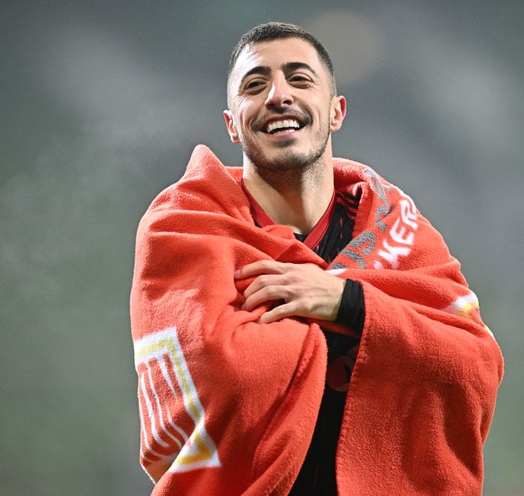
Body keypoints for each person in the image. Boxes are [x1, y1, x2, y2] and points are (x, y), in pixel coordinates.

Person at [130, 22, 504, 496]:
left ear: (335, 112)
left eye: (300, 79)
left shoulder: (398, 229)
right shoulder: (185, 226)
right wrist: (382, 329)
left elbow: (474, 365)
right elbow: (229, 373)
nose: (278, 95)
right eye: (255, 85)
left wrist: (347, 302)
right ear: (231, 125)